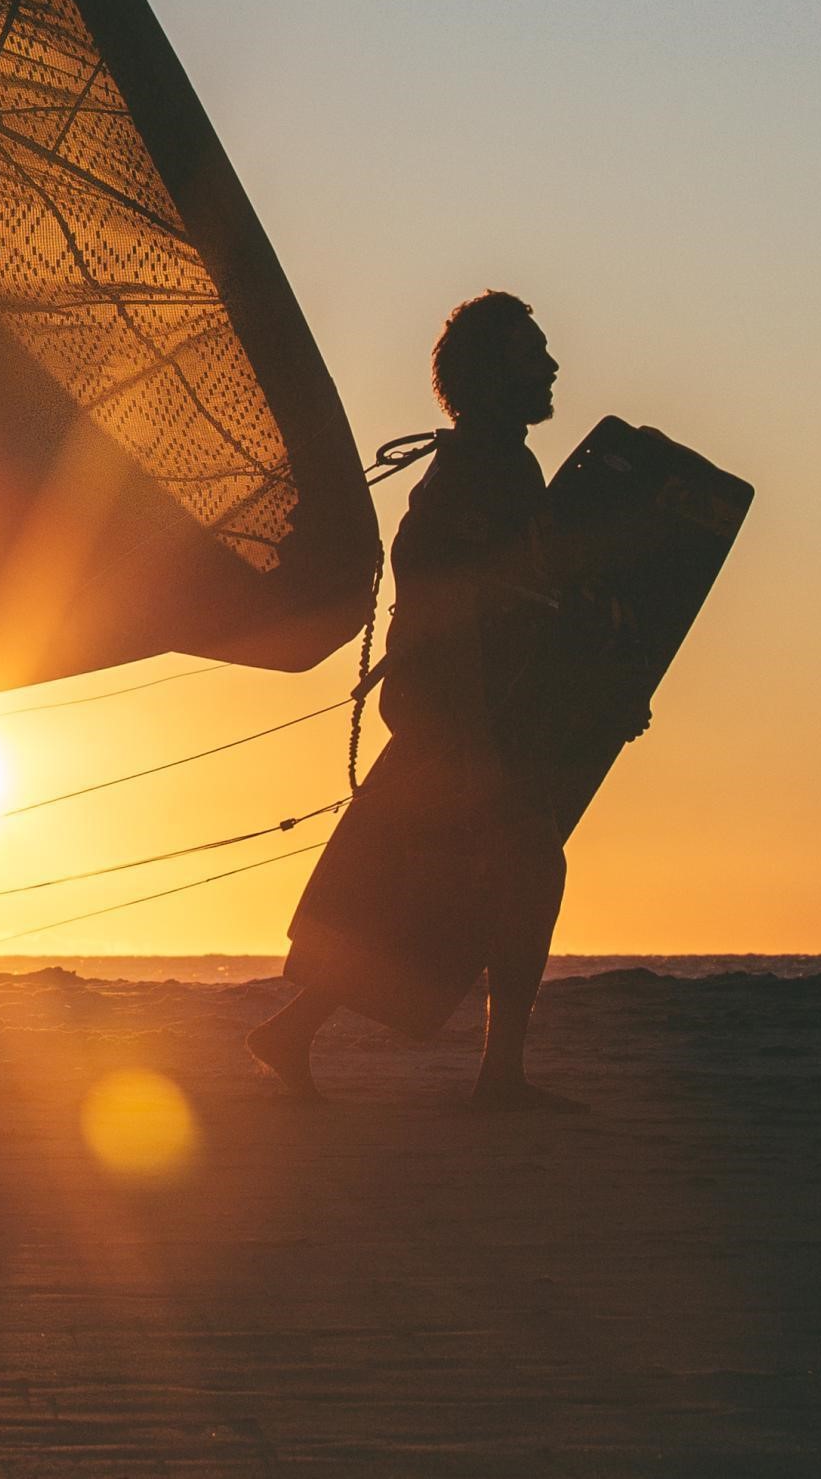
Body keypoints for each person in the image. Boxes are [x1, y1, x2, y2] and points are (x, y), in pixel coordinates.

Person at [247, 291, 588, 1111]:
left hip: (475, 718)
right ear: (489, 375)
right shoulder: (475, 478)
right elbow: (455, 611)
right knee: (523, 870)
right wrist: (472, 747)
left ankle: (293, 1031)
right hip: (456, 720)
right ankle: (497, 1077)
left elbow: (530, 607)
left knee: (416, 889)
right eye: (528, 352)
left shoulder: (510, 466)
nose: (548, 365)